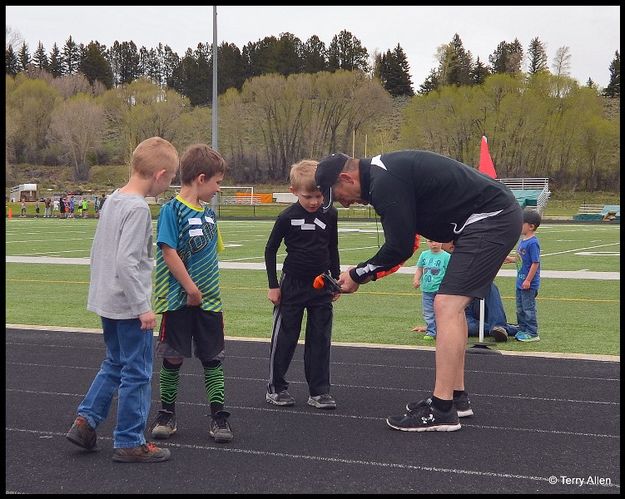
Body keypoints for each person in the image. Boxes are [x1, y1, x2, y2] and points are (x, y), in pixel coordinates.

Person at [314, 150, 522, 432]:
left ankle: (442, 409)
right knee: (451, 307)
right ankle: (456, 397)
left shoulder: (384, 182)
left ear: (346, 177)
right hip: (486, 217)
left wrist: (357, 274)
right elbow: (409, 243)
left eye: (338, 194)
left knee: (446, 306)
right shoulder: (383, 174)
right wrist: (364, 273)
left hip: (490, 218)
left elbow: (398, 246)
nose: (345, 204)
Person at [65, 136, 179, 463]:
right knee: (138, 372)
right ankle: (129, 440)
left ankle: (86, 422)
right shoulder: (138, 209)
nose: (167, 185)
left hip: (107, 300)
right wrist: (143, 306)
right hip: (128, 305)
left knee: (114, 363)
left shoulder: (113, 200)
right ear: (159, 174)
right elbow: (127, 262)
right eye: (169, 179)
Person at [149, 144, 234, 444]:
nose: (218, 189)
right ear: (201, 178)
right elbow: (168, 251)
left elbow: (213, 254)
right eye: (217, 183)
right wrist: (190, 287)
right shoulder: (171, 210)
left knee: (213, 359)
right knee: (172, 358)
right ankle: (167, 414)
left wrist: (206, 290)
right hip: (179, 301)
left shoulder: (210, 216)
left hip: (210, 303)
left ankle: (218, 416)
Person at [264, 160, 341, 410]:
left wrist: (336, 280)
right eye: (308, 196)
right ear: (293, 191)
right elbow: (270, 249)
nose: (314, 202)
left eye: (319, 196)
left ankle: (319, 391)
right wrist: (273, 285)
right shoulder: (287, 216)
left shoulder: (330, 214)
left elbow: (333, 248)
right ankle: (276, 387)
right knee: (285, 337)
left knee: (320, 338)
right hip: (292, 285)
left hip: (321, 285)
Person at [504, 208, 542, 342]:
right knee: (520, 309)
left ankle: (532, 332)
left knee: (528, 309)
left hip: (528, 284)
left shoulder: (533, 243)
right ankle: (522, 329)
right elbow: (521, 259)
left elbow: (535, 263)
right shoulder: (523, 240)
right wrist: (511, 259)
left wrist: (528, 280)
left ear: (531, 226)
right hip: (520, 282)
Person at [412, 239, 450, 340]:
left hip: (441, 290)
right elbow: (420, 269)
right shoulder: (424, 255)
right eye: (430, 241)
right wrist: (416, 279)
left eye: (437, 241)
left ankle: (443, 331)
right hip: (427, 290)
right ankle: (431, 332)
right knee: (428, 312)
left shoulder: (446, 256)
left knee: (441, 311)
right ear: (427, 242)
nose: (434, 244)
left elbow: (449, 273)